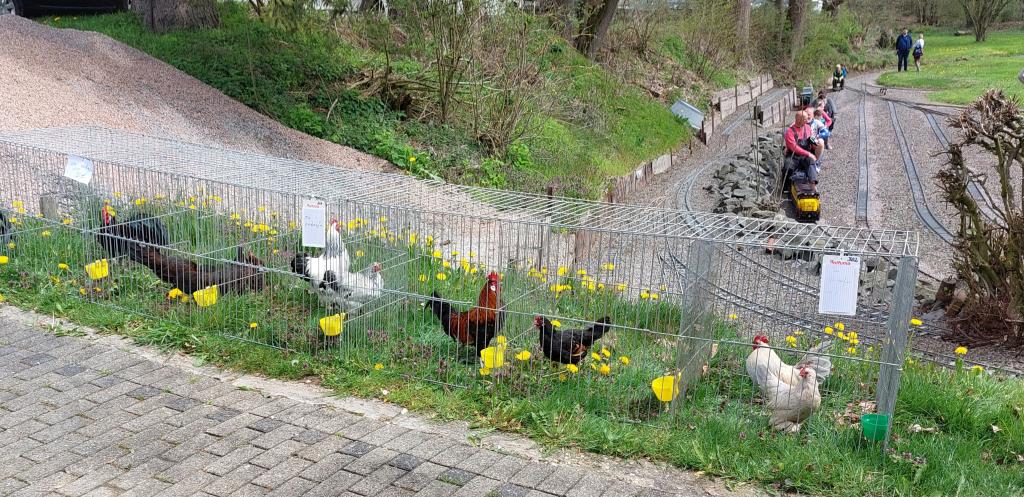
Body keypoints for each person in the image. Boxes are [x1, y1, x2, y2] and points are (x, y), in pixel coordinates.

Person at [784, 110, 819, 188]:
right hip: (793, 156)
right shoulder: (790, 131)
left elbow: (812, 139)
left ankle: (813, 184)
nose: (807, 120)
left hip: (804, 156)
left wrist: (815, 144)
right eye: (805, 119)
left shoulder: (808, 127)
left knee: (811, 161)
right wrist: (808, 153)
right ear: (799, 119)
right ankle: (787, 188)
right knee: (787, 167)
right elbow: (793, 147)